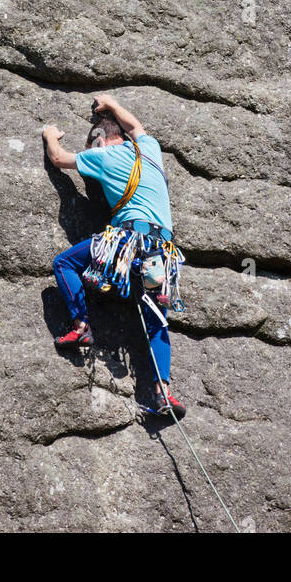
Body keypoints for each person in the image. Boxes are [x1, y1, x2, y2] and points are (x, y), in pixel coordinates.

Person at [43, 93, 186, 418]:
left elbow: (59, 159)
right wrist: (112, 104)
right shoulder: (150, 150)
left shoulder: (104, 157)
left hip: (126, 242)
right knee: (155, 320)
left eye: (94, 142)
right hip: (162, 253)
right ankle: (163, 393)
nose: (92, 148)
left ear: (103, 139)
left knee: (64, 263)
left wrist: (50, 135)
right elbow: (136, 126)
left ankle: (81, 325)